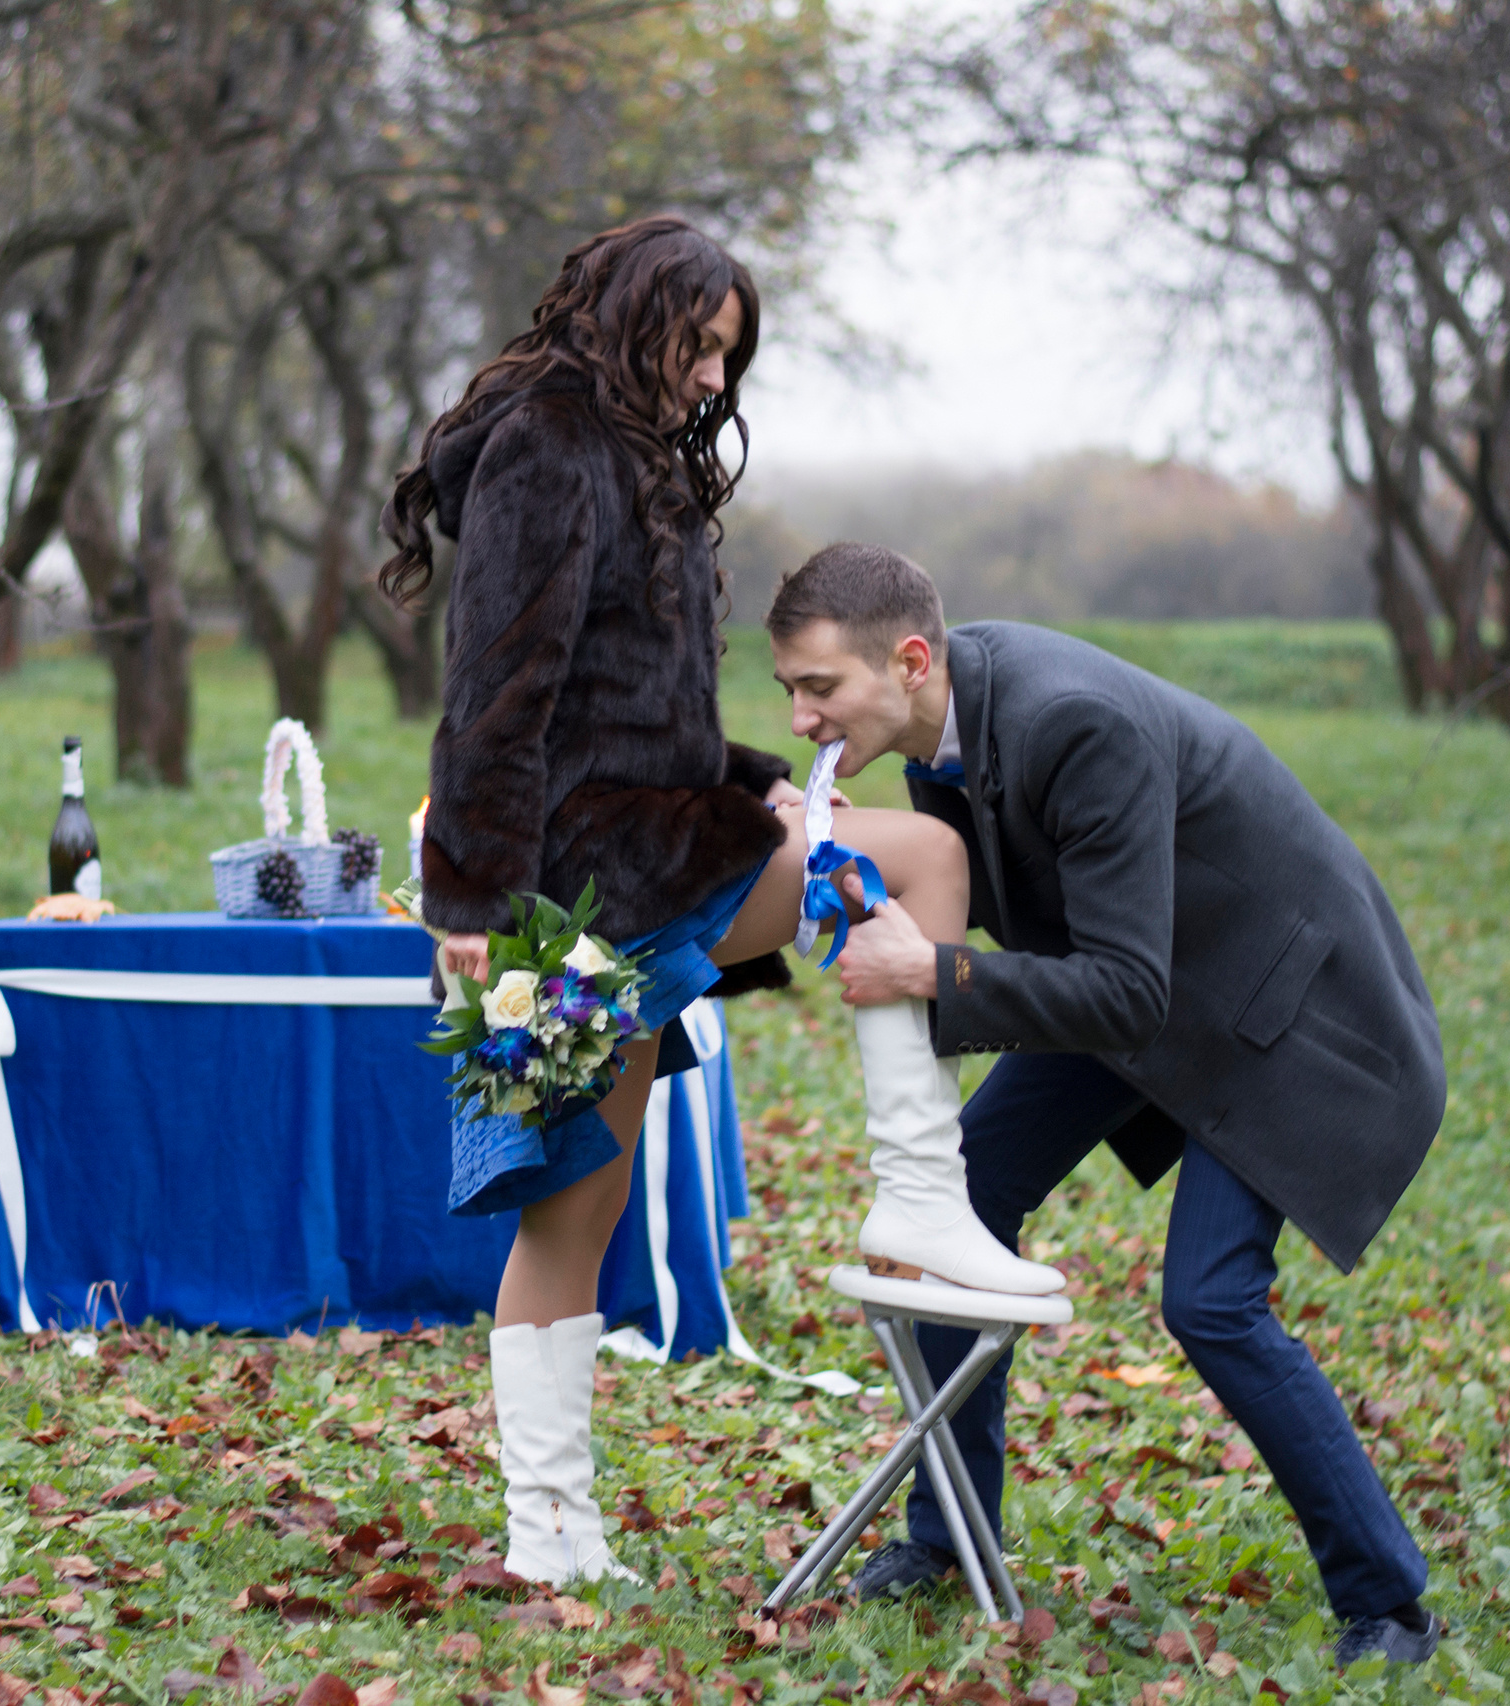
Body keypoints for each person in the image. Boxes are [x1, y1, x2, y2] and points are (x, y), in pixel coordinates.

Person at [378, 219, 1061, 1587]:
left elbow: (643, 715)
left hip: (654, 838)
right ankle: (919, 1200)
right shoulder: (550, 447)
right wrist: (473, 899)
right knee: (918, 866)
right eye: (696, 347)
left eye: (725, 358)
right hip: (578, 874)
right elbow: (499, 698)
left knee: (584, 1199)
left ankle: (550, 1537)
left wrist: (768, 795)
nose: (708, 379)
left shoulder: (630, 454)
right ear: (633, 320)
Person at [762, 542, 1449, 1668]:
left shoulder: (1071, 722)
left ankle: (1391, 1606)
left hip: (1289, 1024)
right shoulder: (943, 732)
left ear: (910, 658)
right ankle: (950, 1541)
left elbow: (1122, 988)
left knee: (1212, 1300)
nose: (800, 715)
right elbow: (1039, 923)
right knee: (960, 1198)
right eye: (789, 689)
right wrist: (850, 874)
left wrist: (931, 974)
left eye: (818, 687)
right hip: (1159, 984)